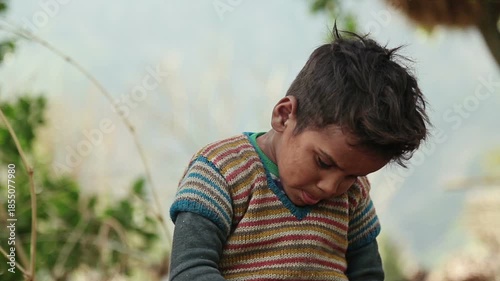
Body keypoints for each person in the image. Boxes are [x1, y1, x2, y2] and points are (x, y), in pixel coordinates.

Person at [168, 24, 430, 281]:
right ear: (284, 116)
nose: (331, 187)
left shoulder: (354, 195)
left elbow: (368, 274)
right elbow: (190, 271)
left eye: (352, 175)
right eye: (323, 162)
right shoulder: (219, 171)